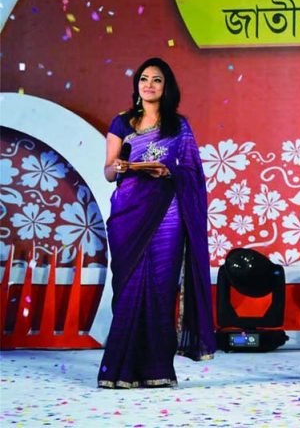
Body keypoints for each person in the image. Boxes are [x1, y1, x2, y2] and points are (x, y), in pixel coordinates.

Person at [97, 57, 215, 388]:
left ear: (167, 87)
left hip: (169, 211)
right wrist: (118, 167)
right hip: (129, 212)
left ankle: (156, 369)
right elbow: (108, 171)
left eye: (157, 80)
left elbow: (192, 172)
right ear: (137, 85)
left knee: (163, 287)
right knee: (129, 284)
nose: (149, 85)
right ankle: (119, 371)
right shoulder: (121, 123)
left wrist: (169, 170)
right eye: (144, 79)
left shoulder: (179, 127)